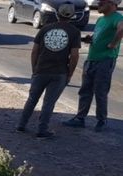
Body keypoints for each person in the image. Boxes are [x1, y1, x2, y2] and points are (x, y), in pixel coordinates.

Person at [16, 3, 80, 139]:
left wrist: (35, 69)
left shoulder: (45, 29)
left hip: (41, 69)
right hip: (59, 72)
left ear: (57, 14)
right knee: (49, 102)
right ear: (72, 17)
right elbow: (74, 56)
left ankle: (21, 125)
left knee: (32, 99)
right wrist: (70, 73)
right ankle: (42, 130)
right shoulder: (74, 32)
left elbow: (34, 51)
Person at [62, 0, 123, 132]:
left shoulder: (117, 17)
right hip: (91, 58)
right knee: (85, 90)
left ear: (112, 4)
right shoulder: (101, 20)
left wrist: (113, 44)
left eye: (102, 2)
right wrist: (91, 39)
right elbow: (99, 35)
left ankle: (101, 120)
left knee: (100, 91)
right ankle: (80, 118)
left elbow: (121, 29)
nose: (99, 4)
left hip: (105, 60)